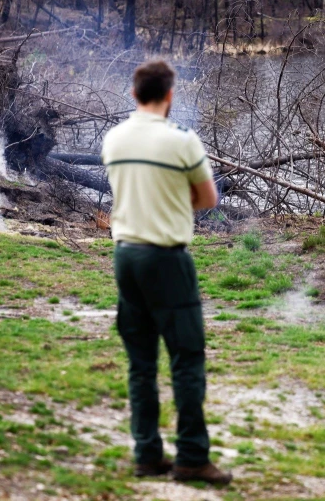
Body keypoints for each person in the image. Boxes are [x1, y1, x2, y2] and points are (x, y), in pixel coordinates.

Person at [101, 60, 232, 485]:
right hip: (167, 259)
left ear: (135, 93)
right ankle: (192, 456)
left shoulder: (114, 138)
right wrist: (175, 203)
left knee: (141, 363)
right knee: (187, 357)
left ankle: (146, 454)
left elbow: (129, 191)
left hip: (125, 256)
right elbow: (208, 198)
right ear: (169, 96)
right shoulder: (183, 141)